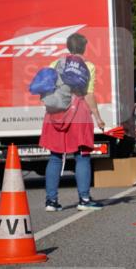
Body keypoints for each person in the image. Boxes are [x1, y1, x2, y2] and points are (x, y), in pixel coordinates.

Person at [40, 33, 106, 211]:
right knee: (82, 156)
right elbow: (89, 94)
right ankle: (84, 199)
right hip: (78, 114)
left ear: (68, 47)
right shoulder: (88, 66)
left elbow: (47, 88)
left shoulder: (55, 64)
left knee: (55, 157)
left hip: (55, 113)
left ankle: (51, 201)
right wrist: (98, 117)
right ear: (84, 47)